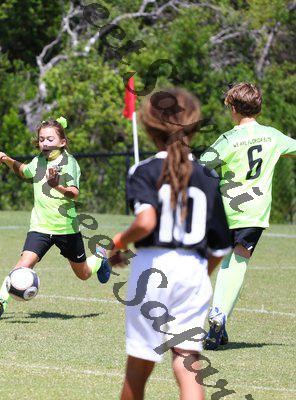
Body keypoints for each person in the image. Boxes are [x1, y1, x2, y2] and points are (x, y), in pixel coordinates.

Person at [108, 88, 232, 400]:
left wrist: (118, 242)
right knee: (188, 362)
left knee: (139, 366)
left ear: (149, 128)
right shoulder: (208, 175)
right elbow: (220, 246)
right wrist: (200, 274)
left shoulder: (145, 170)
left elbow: (146, 222)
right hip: (193, 271)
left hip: (153, 269)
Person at [200, 82, 296, 350]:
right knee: (239, 261)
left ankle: (218, 324)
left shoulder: (228, 139)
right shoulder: (273, 136)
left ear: (233, 107)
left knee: (223, 260)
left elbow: (202, 166)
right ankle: (219, 315)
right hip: (254, 211)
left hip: (226, 209)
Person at [0, 117, 111, 320]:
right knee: (22, 265)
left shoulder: (69, 163)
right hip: (40, 227)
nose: (45, 143)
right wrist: (7, 160)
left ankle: (99, 257)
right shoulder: (38, 161)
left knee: (83, 274)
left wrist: (57, 186)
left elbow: (74, 193)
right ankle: (0, 303)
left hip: (66, 228)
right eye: (42, 139)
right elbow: (24, 172)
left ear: (62, 142)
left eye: (50, 139)